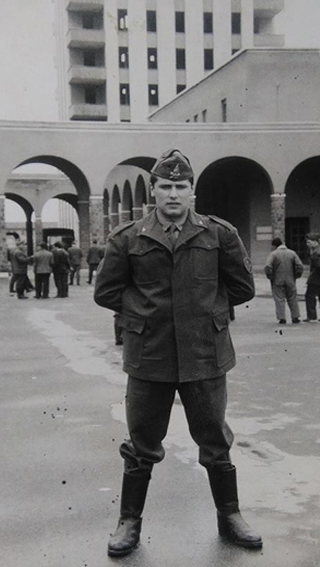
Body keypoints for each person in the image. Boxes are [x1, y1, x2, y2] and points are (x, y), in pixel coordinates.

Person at [94, 148, 262, 557]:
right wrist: (146, 312)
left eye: (181, 186)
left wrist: (203, 311)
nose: (173, 194)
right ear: (153, 190)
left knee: (215, 439)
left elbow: (243, 287)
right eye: (166, 186)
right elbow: (106, 292)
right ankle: (129, 522)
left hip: (205, 354)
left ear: (192, 192)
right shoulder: (128, 238)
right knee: (142, 443)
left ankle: (230, 515)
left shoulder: (219, 234)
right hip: (149, 355)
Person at [264, 237, 304, 324]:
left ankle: (282, 318)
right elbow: (300, 266)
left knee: (279, 299)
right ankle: (295, 317)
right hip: (291, 280)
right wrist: (297, 275)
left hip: (277, 280)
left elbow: (267, 266)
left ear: (274, 246)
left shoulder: (273, 254)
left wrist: (270, 276)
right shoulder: (292, 253)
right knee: (292, 298)